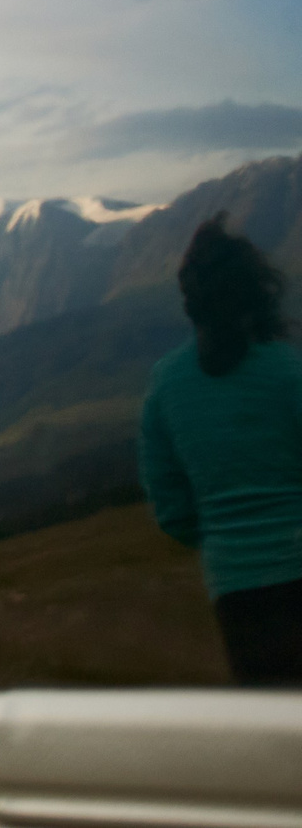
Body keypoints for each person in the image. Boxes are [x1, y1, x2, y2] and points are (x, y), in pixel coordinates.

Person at [139, 215, 302, 685]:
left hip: (234, 594)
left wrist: (222, 538)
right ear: (256, 292)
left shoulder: (166, 387)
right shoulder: (286, 371)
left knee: (275, 739)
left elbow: (170, 507)